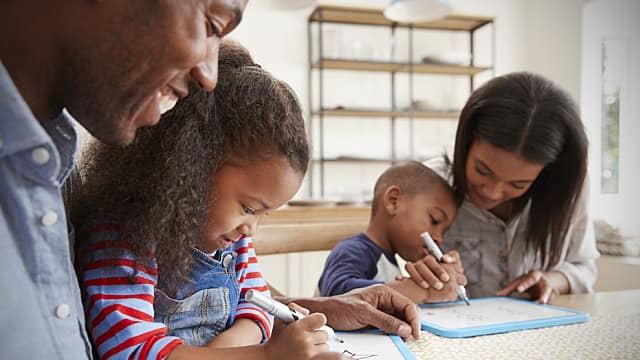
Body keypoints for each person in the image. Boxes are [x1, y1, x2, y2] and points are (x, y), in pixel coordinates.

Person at [0, 1, 419, 357]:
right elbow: (127, 348)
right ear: (189, 171)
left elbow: (255, 304)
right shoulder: (127, 235)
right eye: (211, 25)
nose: (208, 74)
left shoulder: (54, 160)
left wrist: (289, 321)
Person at [416, 72, 599, 304]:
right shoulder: (430, 185)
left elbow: (584, 267)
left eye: (517, 184)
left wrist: (551, 280)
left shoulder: (566, 190)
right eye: (483, 171)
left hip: (538, 331)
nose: (491, 192)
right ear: (467, 141)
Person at [317, 161, 466, 304]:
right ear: (393, 202)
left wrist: (440, 283)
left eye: (444, 231)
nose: (438, 238)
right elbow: (335, 295)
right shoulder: (353, 250)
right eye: (434, 220)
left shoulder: (389, 260)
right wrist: (421, 292)